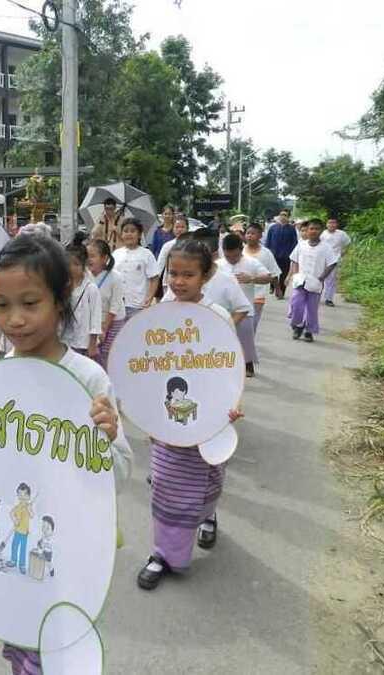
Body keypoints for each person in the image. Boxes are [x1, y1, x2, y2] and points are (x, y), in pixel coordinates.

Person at [0, 233, 133, 675]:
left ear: (61, 300)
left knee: (54, 648)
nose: (14, 319)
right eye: (1, 305)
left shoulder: (87, 379)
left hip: (68, 550)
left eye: (30, 303)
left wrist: (105, 438)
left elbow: (119, 475)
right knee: (20, 639)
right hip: (10, 545)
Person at [137, 235, 244, 591]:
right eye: (173, 273)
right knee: (166, 483)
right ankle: (162, 555)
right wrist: (147, 412)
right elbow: (147, 367)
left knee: (207, 481)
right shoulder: (160, 313)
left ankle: (207, 515)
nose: (179, 281)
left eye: (188, 275)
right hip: (168, 416)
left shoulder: (218, 316)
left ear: (206, 275)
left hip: (208, 416)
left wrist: (232, 406)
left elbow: (230, 367)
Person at [217, 234, 271, 377]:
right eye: (228, 256)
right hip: (222, 309)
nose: (231, 259)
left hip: (245, 310)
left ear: (241, 250)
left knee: (245, 340)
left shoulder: (252, 262)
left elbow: (268, 277)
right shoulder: (218, 265)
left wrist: (252, 278)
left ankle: (248, 364)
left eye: (234, 256)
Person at [287, 219, 340, 342]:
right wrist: (295, 274)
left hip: (315, 283)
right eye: (311, 228)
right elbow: (294, 260)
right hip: (300, 281)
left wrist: (322, 278)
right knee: (296, 303)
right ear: (307, 230)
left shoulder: (326, 247)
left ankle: (309, 331)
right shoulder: (301, 245)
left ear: (321, 231)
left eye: (317, 229)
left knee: (311, 308)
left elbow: (332, 263)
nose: (314, 231)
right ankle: (298, 325)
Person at [86, 238, 125, 368]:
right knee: (94, 354)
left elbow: (115, 306)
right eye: (87, 256)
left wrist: (104, 328)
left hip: (113, 321)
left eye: (92, 256)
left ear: (105, 258)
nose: (88, 259)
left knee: (108, 354)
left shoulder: (115, 277)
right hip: (95, 321)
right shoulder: (86, 276)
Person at [63, 238, 103, 358]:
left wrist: (92, 344)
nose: (71, 268)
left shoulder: (91, 289)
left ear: (84, 265)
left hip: (83, 343)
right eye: (68, 264)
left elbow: (96, 318)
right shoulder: (63, 286)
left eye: (76, 264)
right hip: (65, 340)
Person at [112, 218, 158, 318]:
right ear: (121, 234)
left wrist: (149, 297)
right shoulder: (116, 254)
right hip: (118, 304)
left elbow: (154, 278)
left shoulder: (146, 254)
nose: (129, 234)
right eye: (126, 231)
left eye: (133, 231)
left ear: (139, 234)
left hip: (138, 304)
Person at [242, 224, 281, 332]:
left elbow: (273, 272)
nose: (249, 236)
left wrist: (278, 289)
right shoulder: (240, 251)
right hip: (242, 292)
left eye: (253, 233)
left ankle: (249, 340)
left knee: (253, 323)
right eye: (248, 233)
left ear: (260, 236)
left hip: (259, 294)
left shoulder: (266, 253)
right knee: (242, 323)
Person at [263, 209, 298, 299]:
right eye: (281, 215)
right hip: (274, 254)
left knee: (284, 274)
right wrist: (267, 252)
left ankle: (281, 292)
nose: (283, 217)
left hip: (286, 256)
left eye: (285, 215)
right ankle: (272, 286)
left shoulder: (291, 229)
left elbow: (294, 242)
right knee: (273, 272)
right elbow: (268, 241)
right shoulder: (273, 228)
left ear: (288, 217)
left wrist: (291, 254)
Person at [154, 213, 190, 291]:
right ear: (173, 229)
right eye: (177, 227)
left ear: (187, 229)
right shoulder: (167, 246)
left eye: (182, 227)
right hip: (169, 284)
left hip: (188, 283)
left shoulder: (193, 245)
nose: (179, 230)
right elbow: (159, 266)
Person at [319, 218, 351, 306]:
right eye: (330, 223)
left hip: (334, 259)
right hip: (322, 259)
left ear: (337, 224)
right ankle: (316, 296)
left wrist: (344, 252)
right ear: (326, 224)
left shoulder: (341, 234)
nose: (332, 225)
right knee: (320, 278)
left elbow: (348, 243)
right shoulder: (322, 234)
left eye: (334, 223)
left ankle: (329, 299)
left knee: (331, 279)